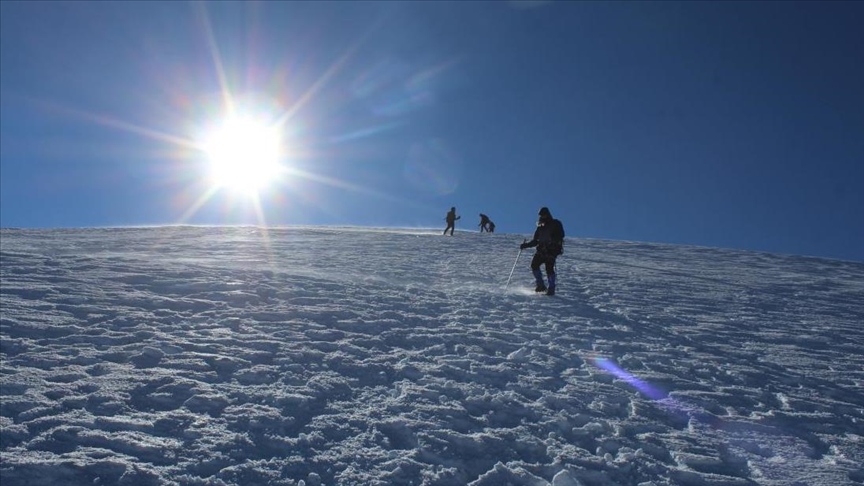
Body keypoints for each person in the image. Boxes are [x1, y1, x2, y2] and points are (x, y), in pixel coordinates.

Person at [520, 207, 565, 295]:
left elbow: (561, 235)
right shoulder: (540, 226)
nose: (542, 216)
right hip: (542, 250)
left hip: (551, 250)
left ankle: (551, 288)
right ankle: (541, 285)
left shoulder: (555, 223)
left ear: (548, 214)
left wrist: (554, 240)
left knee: (549, 268)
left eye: (544, 214)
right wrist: (525, 245)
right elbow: (535, 241)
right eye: (541, 215)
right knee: (534, 265)